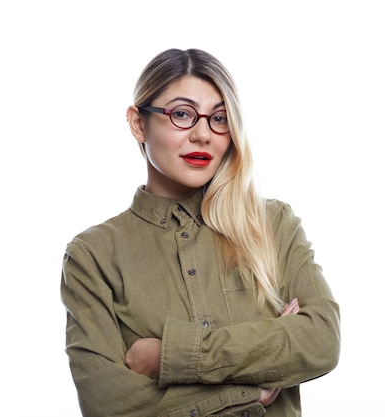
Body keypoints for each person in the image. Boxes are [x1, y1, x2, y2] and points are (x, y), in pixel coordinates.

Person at [60, 48, 340, 417]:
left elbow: (321, 341)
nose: (203, 134)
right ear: (138, 123)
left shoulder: (272, 224)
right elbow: (106, 404)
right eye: (182, 114)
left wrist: (170, 357)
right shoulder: (92, 255)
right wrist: (248, 394)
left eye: (220, 118)